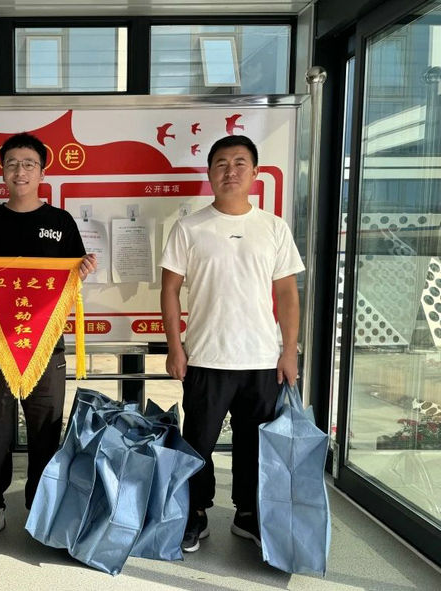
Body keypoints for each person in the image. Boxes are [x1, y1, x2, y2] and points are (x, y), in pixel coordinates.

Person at [159, 135, 304, 553]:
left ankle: (247, 514)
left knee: (254, 442)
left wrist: (289, 350)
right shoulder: (189, 228)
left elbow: (287, 294)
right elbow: (170, 290)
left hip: (261, 358)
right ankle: (196, 511)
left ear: (255, 172)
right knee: (197, 443)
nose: (230, 171)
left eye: (240, 163)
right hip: (206, 355)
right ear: (209, 173)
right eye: (221, 163)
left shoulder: (273, 227)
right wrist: (175, 347)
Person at [0, 132, 97, 550]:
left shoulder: (61, 223)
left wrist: (82, 272)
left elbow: (71, 281)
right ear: (3, 171)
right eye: (13, 163)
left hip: (46, 347)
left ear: (42, 172)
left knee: (45, 432)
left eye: (29, 163)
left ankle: (42, 507)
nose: (21, 171)